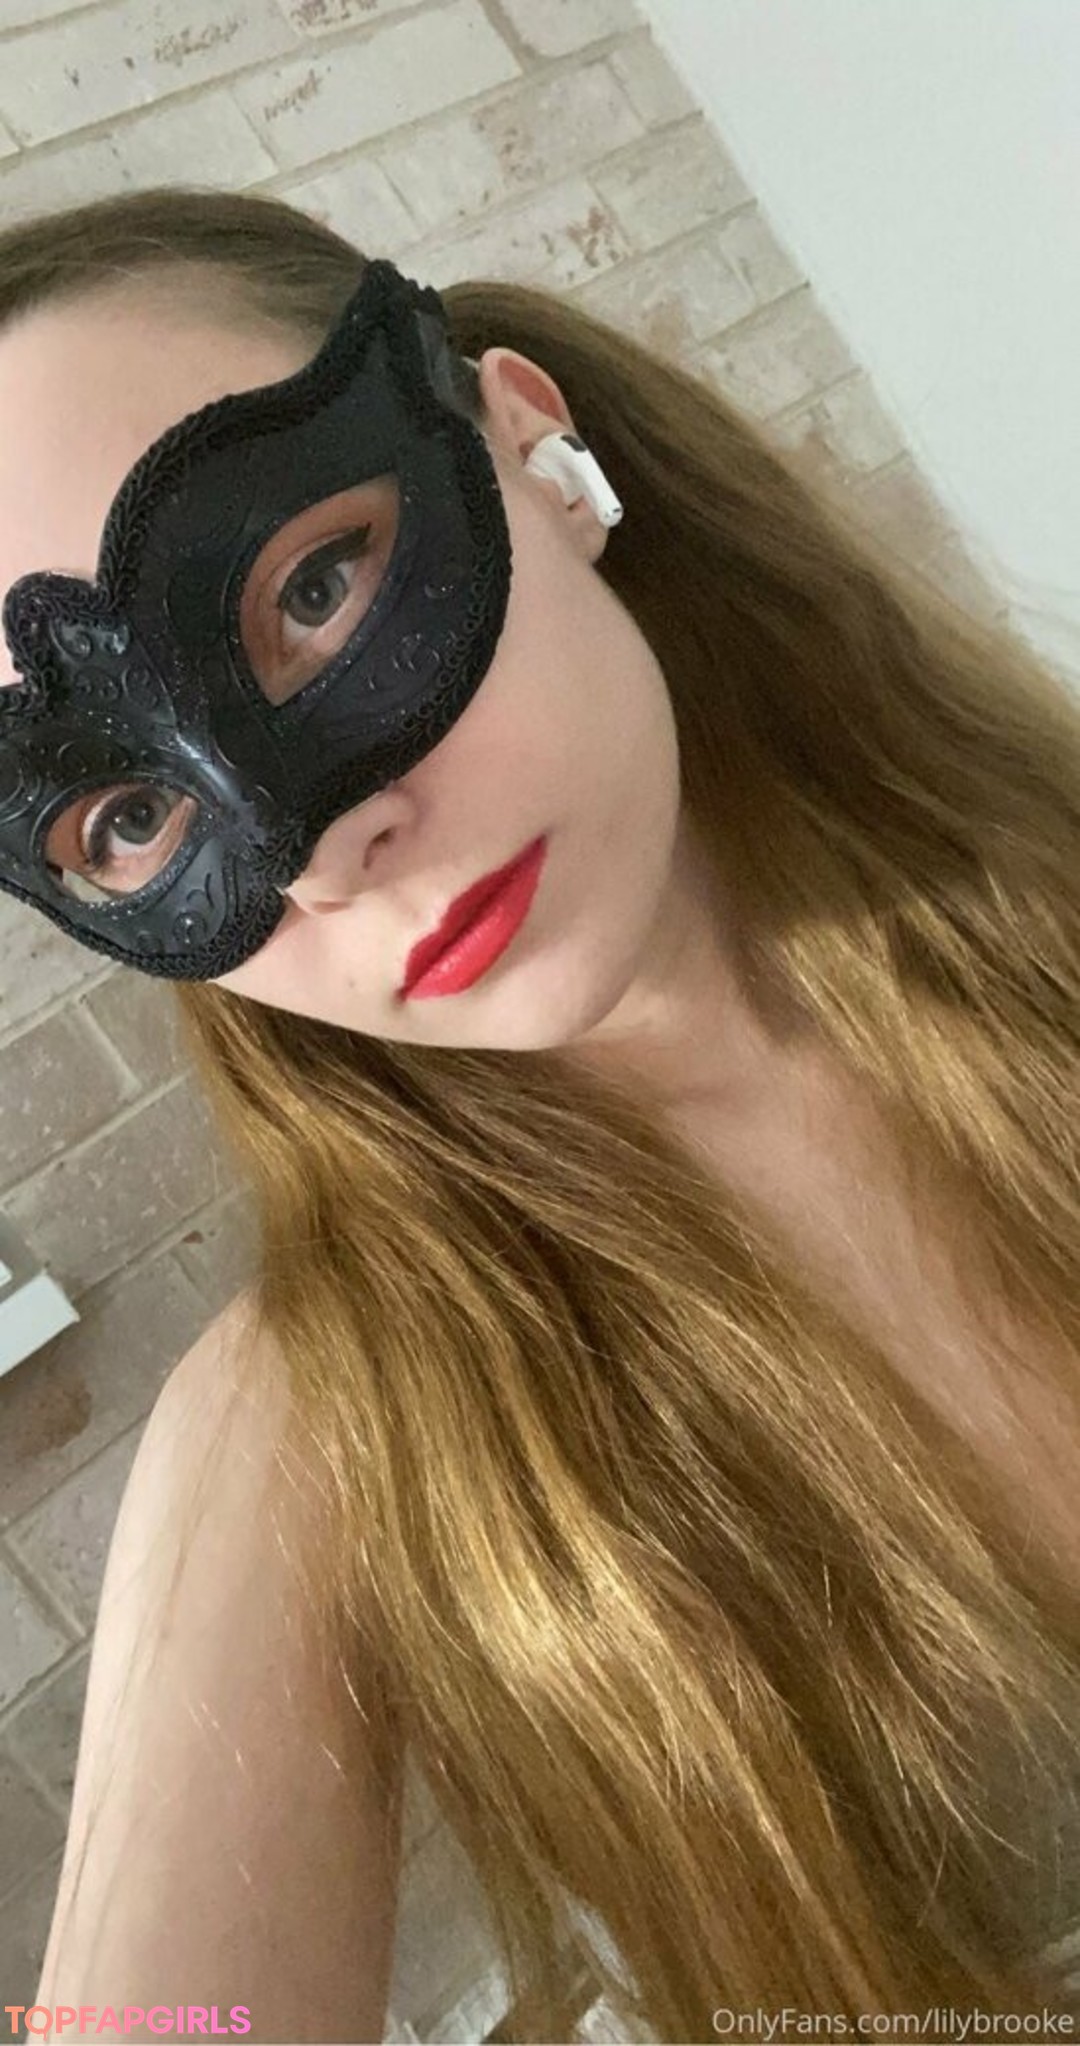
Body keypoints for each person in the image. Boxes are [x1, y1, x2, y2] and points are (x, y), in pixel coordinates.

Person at [2, 184, 1080, 2045]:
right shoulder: (323, 1437)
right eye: (129, 817)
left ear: (519, 433)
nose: (322, 848)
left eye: (313, 591)